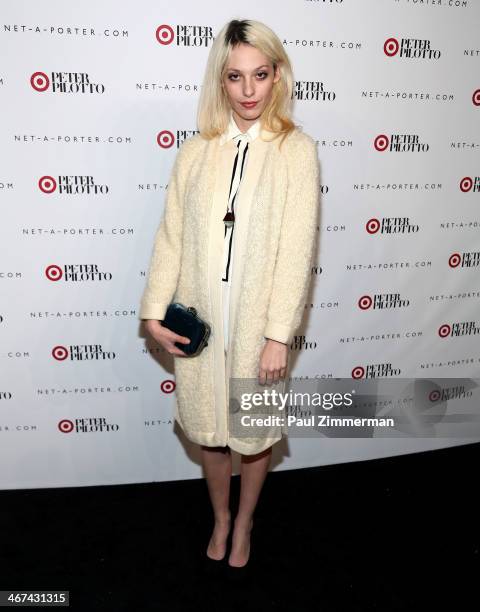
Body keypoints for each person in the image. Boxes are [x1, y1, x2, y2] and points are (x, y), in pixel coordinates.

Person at [139, 19, 320, 568]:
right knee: (211, 435)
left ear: (277, 76)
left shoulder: (296, 151)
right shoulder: (196, 151)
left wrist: (276, 337)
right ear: (220, 80)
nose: (248, 91)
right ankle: (220, 517)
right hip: (201, 323)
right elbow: (172, 234)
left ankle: (245, 523)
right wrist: (152, 312)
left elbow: (296, 251)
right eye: (236, 76)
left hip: (256, 327)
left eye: (260, 75)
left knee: (254, 434)